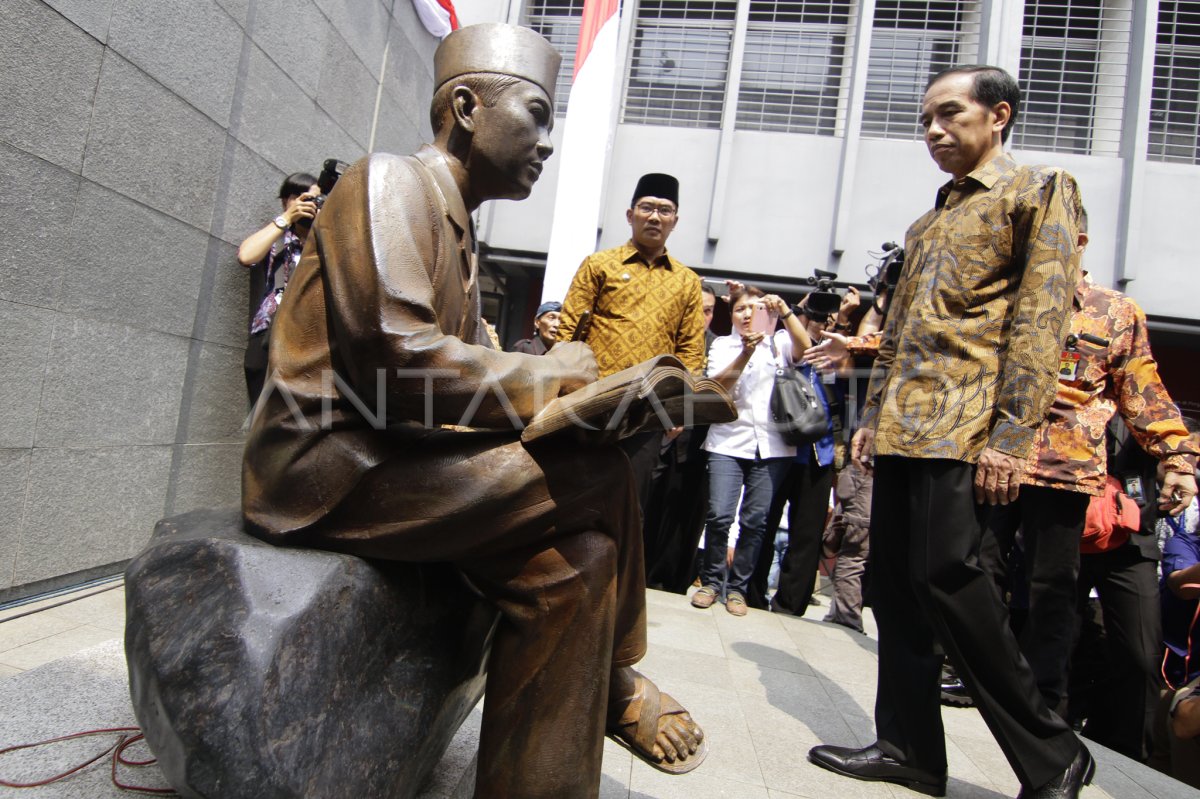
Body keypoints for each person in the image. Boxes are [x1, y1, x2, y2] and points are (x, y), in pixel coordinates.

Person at [241, 24, 705, 797]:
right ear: (464, 104)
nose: (546, 144)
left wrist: (581, 403)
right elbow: (397, 358)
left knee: (579, 569)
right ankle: (621, 683)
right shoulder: (388, 181)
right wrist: (548, 373)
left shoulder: (458, 233)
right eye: (536, 114)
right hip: (326, 464)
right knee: (594, 476)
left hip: (400, 454)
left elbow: (451, 393)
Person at [808, 65, 1092, 798]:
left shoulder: (1039, 191)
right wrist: (872, 417)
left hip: (966, 426)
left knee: (950, 578)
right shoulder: (928, 222)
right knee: (893, 584)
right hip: (905, 424)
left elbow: (1040, 320)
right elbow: (900, 331)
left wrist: (1012, 433)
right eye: (924, 118)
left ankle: (1052, 750)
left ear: (998, 115)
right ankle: (908, 748)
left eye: (948, 114)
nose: (932, 130)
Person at [980, 213, 1198, 761]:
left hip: (1064, 470)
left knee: (1054, 591)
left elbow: (1143, 390)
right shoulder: (997, 299)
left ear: (1078, 241)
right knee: (973, 569)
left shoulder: (1115, 312)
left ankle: (1045, 704)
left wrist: (1177, 458)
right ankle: (976, 676)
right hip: (992, 458)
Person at [557, 173, 707, 527]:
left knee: (629, 502)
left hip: (646, 411)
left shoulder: (686, 281)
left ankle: (616, 578)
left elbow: (690, 350)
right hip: (591, 401)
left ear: (675, 221)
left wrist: (678, 409)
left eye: (664, 211)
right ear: (630, 215)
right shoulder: (598, 265)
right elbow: (568, 332)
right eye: (647, 208)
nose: (655, 217)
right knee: (574, 494)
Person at [690, 287, 811, 616]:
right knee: (719, 515)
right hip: (727, 441)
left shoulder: (780, 342)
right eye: (740, 309)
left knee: (755, 521)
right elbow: (718, 389)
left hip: (772, 447)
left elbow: (806, 347)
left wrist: (785, 311)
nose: (747, 314)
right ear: (732, 315)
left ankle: (738, 589)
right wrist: (744, 353)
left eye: (755, 309)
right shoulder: (722, 345)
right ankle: (712, 582)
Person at [749, 299, 840, 614]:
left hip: (820, 453)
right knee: (764, 522)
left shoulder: (841, 354)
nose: (819, 322)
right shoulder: (787, 343)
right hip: (779, 448)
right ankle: (752, 592)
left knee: (806, 532)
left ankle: (791, 601)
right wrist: (796, 311)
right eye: (813, 316)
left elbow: (848, 403)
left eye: (826, 317)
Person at [236, 171, 319, 404]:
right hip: (268, 339)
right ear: (286, 201)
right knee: (262, 420)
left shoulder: (324, 245)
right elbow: (246, 256)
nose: (306, 204)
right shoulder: (277, 239)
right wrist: (286, 218)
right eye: (299, 197)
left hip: (309, 343)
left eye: (313, 199)